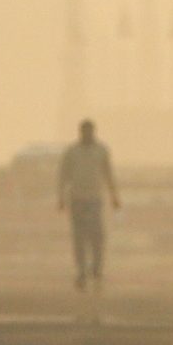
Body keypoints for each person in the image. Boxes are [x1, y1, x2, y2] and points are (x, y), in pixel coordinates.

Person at [56, 119, 121, 291]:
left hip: (95, 198)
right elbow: (63, 175)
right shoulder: (72, 152)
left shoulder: (101, 151)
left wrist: (114, 195)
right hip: (77, 198)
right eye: (84, 131)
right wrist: (61, 197)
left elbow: (108, 174)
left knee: (97, 235)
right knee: (79, 237)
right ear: (80, 132)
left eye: (89, 131)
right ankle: (81, 270)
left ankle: (97, 268)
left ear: (93, 132)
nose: (87, 134)